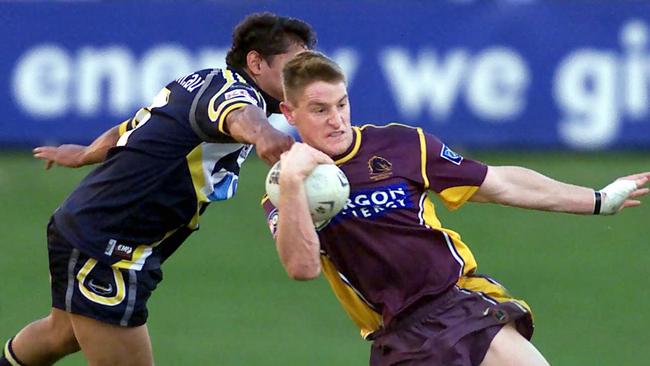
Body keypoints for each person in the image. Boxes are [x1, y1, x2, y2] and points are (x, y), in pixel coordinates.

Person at [261, 50, 650, 366]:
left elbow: (499, 183)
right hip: (399, 339)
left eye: (342, 103)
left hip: (458, 305)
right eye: (319, 109)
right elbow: (302, 267)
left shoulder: (402, 145)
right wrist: (294, 184)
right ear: (289, 113)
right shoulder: (283, 194)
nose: (337, 120)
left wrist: (598, 200)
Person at [1, 13, 316, 366]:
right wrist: (265, 136)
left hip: (86, 227)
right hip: (107, 247)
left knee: (61, 334)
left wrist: (86, 154)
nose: (302, 77)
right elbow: (239, 114)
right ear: (256, 62)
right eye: (294, 66)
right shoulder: (237, 96)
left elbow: (136, 126)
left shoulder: (196, 82)